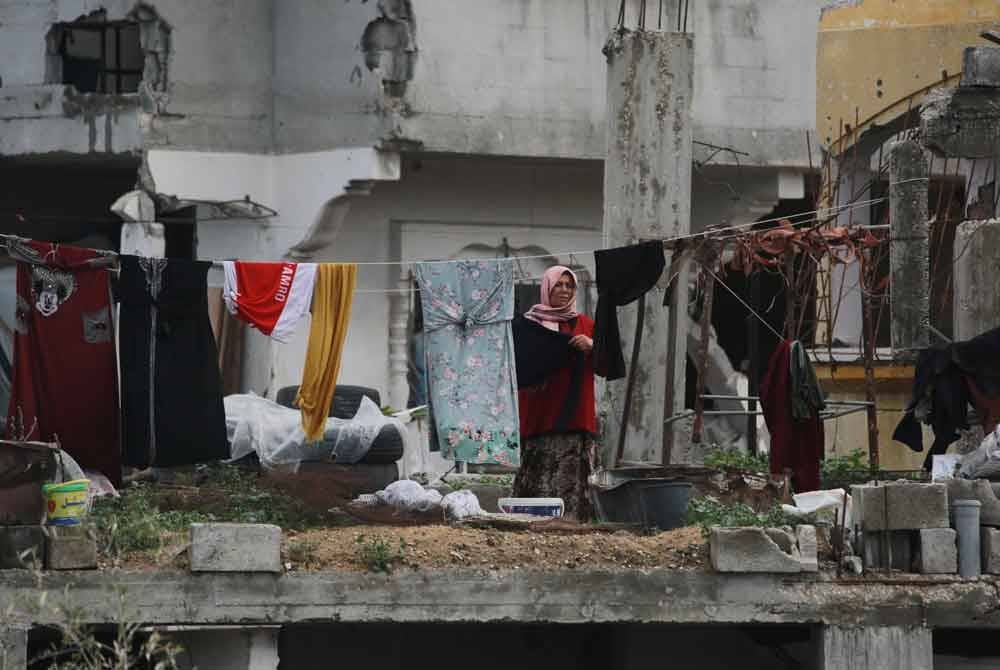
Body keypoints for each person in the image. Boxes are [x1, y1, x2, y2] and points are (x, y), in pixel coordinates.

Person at [513, 265, 597, 520]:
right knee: (537, 472)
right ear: (547, 287)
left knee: (570, 478)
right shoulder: (528, 326)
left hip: (573, 413)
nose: (563, 290)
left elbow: (607, 364)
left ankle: (570, 522)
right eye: (558, 284)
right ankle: (530, 521)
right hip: (538, 414)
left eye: (569, 285)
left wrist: (591, 346)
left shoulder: (585, 325)